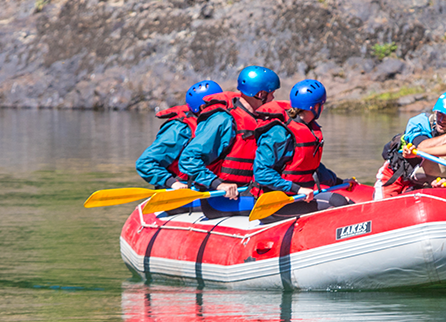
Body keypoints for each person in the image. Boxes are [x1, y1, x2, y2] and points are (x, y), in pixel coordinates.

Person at [177, 66, 284, 201]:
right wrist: (218, 184)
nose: (273, 98)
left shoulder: (262, 120)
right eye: (271, 93)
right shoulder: (223, 120)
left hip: (248, 192)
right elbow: (188, 159)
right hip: (221, 198)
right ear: (260, 94)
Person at [252, 79, 351, 214]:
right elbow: (261, 173)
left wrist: (338, 181)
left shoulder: (308, 127)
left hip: (300, 195)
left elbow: (310, 166)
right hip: (278, 201)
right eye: (321, 105)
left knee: (346, 201)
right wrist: (297, 189)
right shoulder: (279, 133)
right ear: (315, 107)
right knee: (338, 202)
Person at [374, 90, 446, 198]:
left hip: (426, 183)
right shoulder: (419, 122)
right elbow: (422, 146)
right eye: (440, 114)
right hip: (396, 178)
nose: (441, 120)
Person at [135, 79, 222, 189]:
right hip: (180, 193)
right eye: (220, 103)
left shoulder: (216, 125)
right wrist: (173, 183)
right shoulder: (180, 129)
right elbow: (145, 163)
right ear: (203, 107)